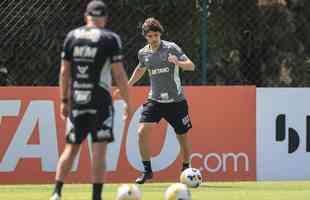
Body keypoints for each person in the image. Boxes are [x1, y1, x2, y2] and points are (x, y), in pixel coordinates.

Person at [50, 1, 133, 200]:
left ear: (86, 16)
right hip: (101, 101)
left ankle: (56, 192)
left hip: (78, 99)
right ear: (104, 18)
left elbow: (64, 72)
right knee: (99, 149)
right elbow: (119, 75)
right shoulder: (110, 38)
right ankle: (96, 197)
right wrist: (128, 102)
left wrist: (64, 100)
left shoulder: (72, 36)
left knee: (71, 148)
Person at [117, 17, 195, 184]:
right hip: (155, 100)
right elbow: (140, 69)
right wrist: (127, 85)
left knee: (182, 136)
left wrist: (178, 62)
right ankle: (147, 172)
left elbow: (191, 65)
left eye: (156, 35)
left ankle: (186, 169)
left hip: (176, 101)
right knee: (141, 132)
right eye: (150, 36)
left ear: (160, 34)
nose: (153, 39)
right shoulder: (143, 53)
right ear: (146, 36)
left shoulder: (171, 48)